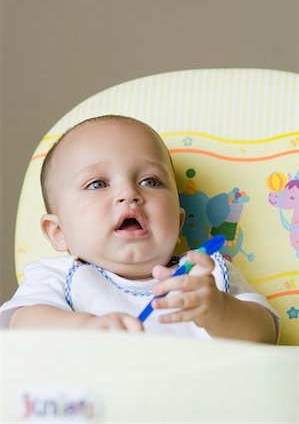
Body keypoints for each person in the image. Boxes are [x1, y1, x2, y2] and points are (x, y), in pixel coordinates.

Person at [0, 115, 280, 342]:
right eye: (97, 184)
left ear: (178, 222)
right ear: (58, 232)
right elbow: (21, 323)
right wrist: (82, 329)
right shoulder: (59, 277)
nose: (129, 193)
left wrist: (220, 311)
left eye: (150, 181)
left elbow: (265, 335)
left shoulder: (205, 273)